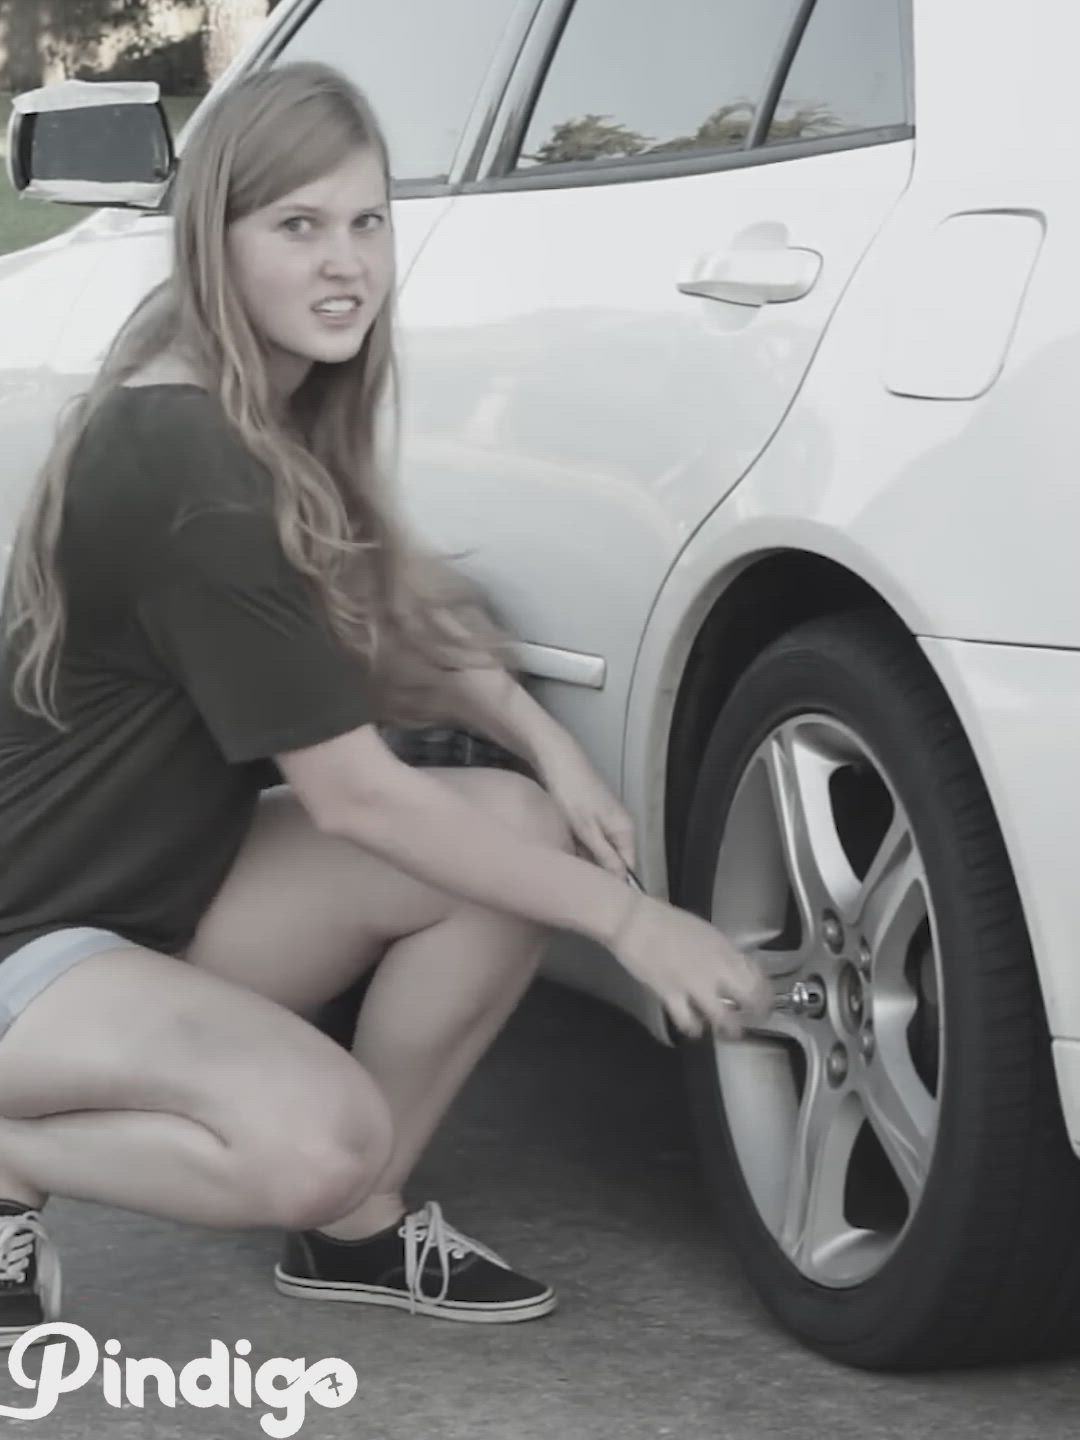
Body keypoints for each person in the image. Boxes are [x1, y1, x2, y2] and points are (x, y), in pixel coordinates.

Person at [0, 61, 772, 1346]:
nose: (345, 262)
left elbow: (394, 622)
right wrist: (632, 925)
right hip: (27, 940)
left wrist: (547, 749)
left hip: (150, 895)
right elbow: (356, 797)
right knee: (314, 1136)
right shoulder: (183, 463)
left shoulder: (264, 408)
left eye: (367, 223)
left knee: (518, 833)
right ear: (217, 238)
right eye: (297, 227)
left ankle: (357, 1224)